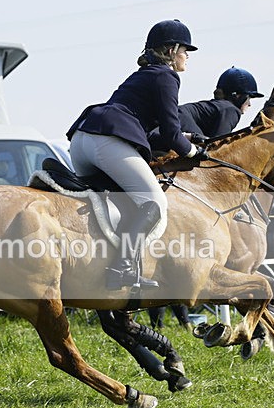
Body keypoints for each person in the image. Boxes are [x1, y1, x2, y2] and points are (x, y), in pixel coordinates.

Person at [66, 19, 199, 290]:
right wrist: (194, 151)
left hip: (82, 140)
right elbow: (172, 134)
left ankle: (99, 264)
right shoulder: (166, 75)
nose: (187, 56)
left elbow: (153, 134)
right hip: (106, 141)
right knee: (153, 202)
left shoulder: (143, 75)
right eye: (185, 50)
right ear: (172, 50)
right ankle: (122, 268)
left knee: (118, 204)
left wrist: (186, 139)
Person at [148, 67, 264, 331]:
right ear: (237, 96)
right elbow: (219, 153)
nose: (248, 105)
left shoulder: (220, 107)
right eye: (248, 98)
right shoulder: (229, 110)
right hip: (167, 138)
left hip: (160, 135)